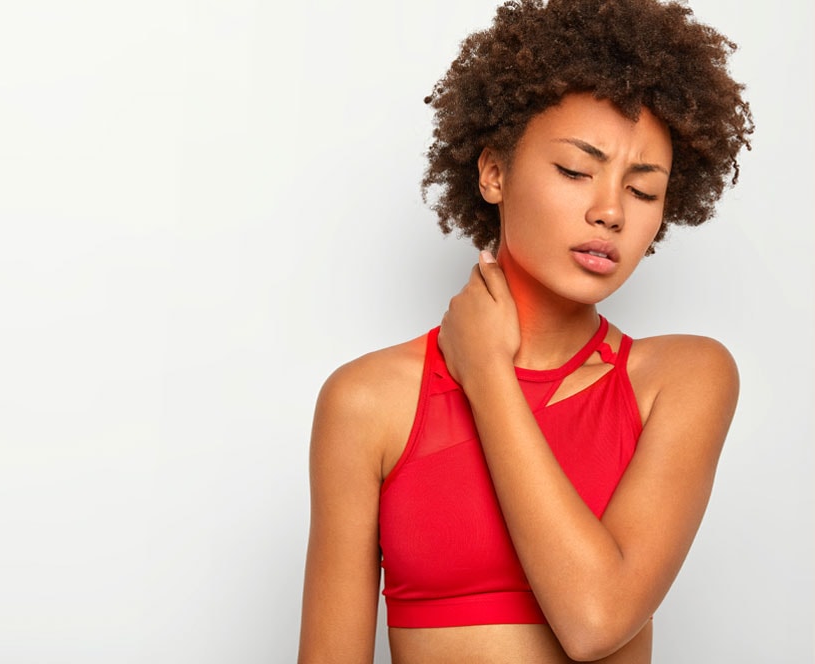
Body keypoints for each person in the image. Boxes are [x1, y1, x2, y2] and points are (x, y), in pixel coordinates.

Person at [297, 0, 753, 662]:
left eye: (643, 191)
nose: (609, 212)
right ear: (493, 172)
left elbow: (596, 620)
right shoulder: (367, 402)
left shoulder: (681, 380)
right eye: (575, 170)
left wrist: (486, 373)